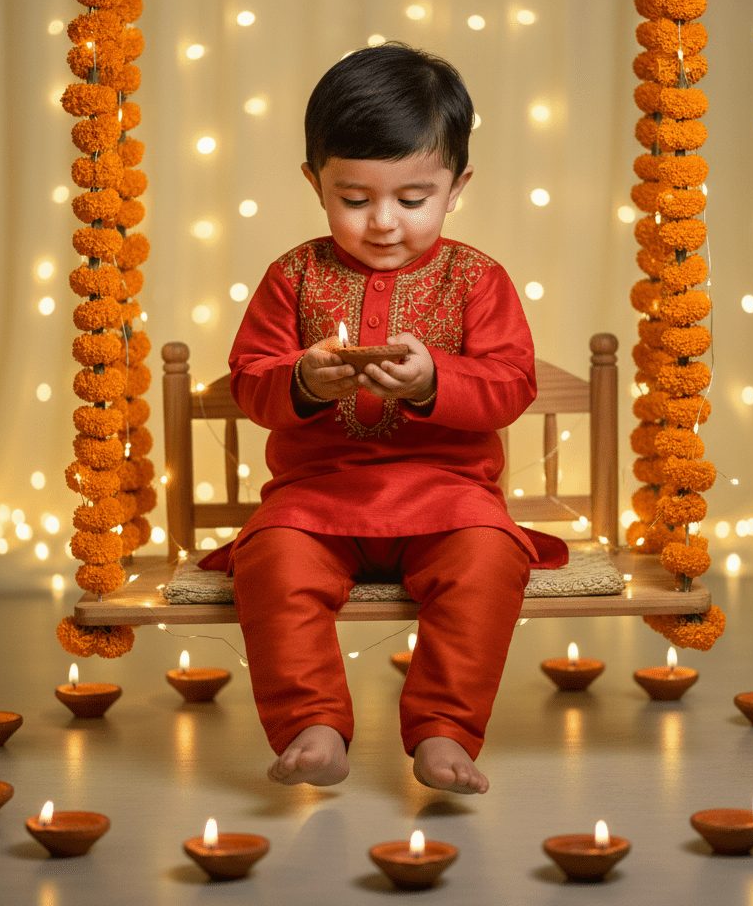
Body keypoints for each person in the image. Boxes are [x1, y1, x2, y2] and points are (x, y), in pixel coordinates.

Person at [216, 42, 566, 795]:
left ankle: (445, 729)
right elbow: (249, 382)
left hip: (450, 500)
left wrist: (436, 378)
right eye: (354, 199)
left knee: (489, 559)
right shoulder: (292, 277)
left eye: (412, 200)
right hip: (316, 501)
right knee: (269, 559)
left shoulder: (477, 279)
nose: (382, 223)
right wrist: (302, 379)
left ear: (456, 186)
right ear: (314, 183)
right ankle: (311, 725)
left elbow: (511, 385)